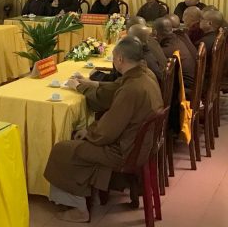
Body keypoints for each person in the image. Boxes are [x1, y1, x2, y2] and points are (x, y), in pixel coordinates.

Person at [44, 37, 163, 223]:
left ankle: (78, 209)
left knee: (62, 150)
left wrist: (89, 132)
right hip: (144, 145)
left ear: (120, 59)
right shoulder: (145, 74)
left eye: (114, 57)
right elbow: (116, 88)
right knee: (77, 144)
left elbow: (107, 133)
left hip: (125, 151)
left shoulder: (131, 90)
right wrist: (87, 84)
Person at [153, 17, 195, 90]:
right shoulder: (177, 40)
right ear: (171, 29)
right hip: (192, 84)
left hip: (184, 90)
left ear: (155, 32)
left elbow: (160, 74)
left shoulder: (166, 50)